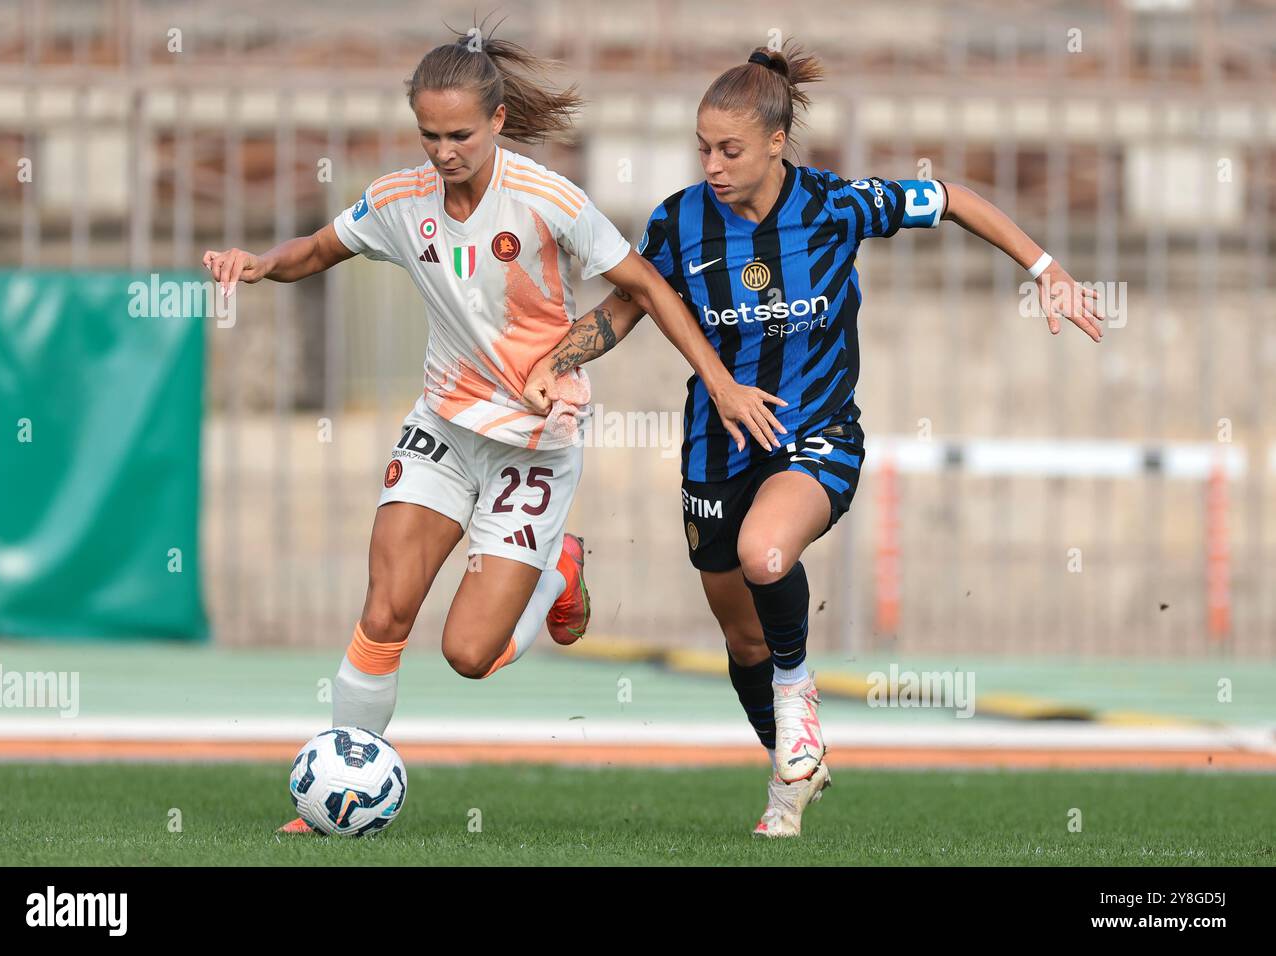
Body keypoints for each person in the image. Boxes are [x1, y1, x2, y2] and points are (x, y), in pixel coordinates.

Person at [203, 30, 781, 833]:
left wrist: (718, 382)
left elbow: (645, 285)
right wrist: (262, 263)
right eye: (430, 135)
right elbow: (320, 249)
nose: (444, 152)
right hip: (443, 424)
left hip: (533, 446)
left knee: (469, 655)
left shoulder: (549, 199)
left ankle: (556, 573)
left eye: (460, 135)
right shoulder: (400, 201)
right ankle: (335, 791)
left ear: (498, 121)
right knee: (385, 611)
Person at [524, 43, 1103, 838]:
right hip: (714, 449)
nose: (713, 165)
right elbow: (624, 313)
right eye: (703, 148)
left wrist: (1045, 267)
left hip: (817, 437)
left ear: (773, 143)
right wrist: (553, 360)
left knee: (768, 554)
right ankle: (792, 769)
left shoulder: (834, 205)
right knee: (738, 630)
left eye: (730, 149)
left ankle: (798, 702)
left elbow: (955, 197)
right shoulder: (679, 220)